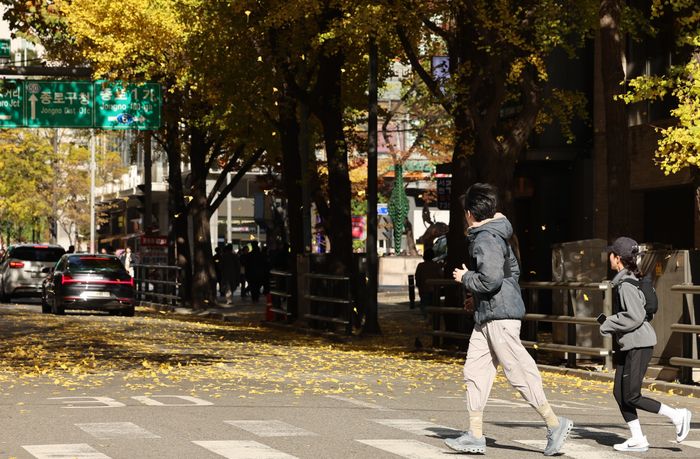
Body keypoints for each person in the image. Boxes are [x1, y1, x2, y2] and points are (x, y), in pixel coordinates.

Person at [447, 183, 572, 456]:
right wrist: (477, 298)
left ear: (469, 213)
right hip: (489, 314)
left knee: (518, 371)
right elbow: (510, 272)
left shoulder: (485, 238)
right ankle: (475, 434)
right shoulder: (496, 235)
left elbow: (491, 279)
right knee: (475, 372)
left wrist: (466, 278)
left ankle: (554, 423)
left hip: (499, 317)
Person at [600, 236, 692, 452]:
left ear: (617, 258)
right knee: (619, 393)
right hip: (629, 343)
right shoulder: (627, 279)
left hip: (639, 344)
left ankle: (677, 415)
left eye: (611, 254)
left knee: (632, 395)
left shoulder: (626, 284)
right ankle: (638, 438)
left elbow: (635, 315)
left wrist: (608, 323)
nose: (609, 257)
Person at [414, 247, 443, 316]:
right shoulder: (436, 265)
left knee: (424, 306)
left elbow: (417, 277)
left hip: (424, 289)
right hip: (435, 289)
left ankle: (426, 317)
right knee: (435, 306)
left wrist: (419, 286)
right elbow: (441, 275)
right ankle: (433, 318)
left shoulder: (421, 266)